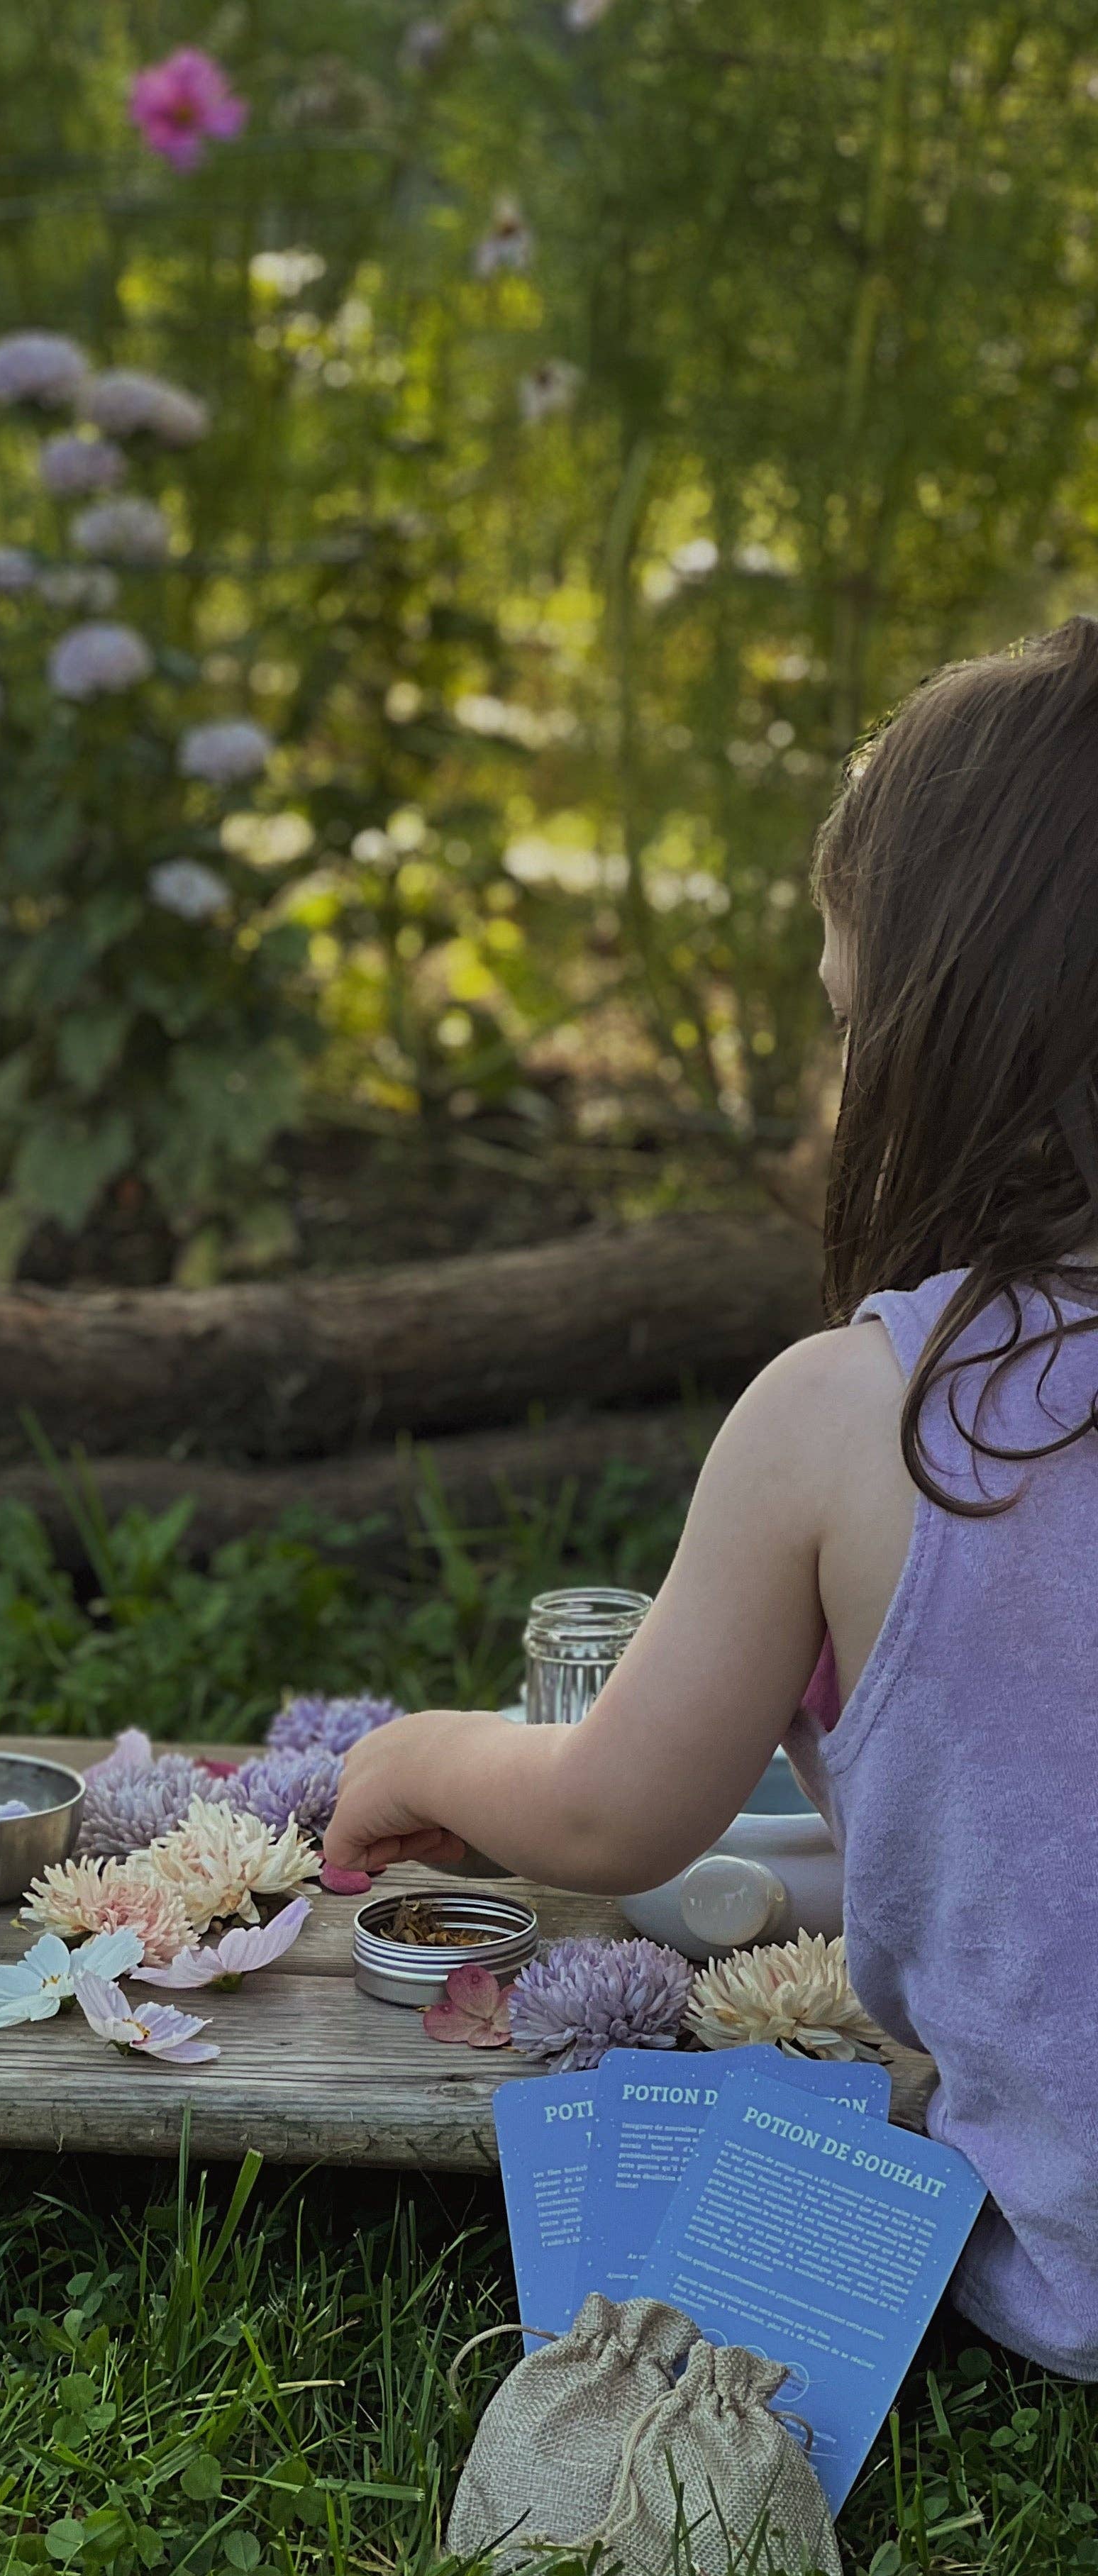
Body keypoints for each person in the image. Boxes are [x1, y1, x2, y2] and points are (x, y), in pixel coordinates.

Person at [323, 618, 1098, 2379]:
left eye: (849, 1025)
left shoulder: (852, 1414)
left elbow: (610, 1820)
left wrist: (427, 1755)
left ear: (947, 1043)